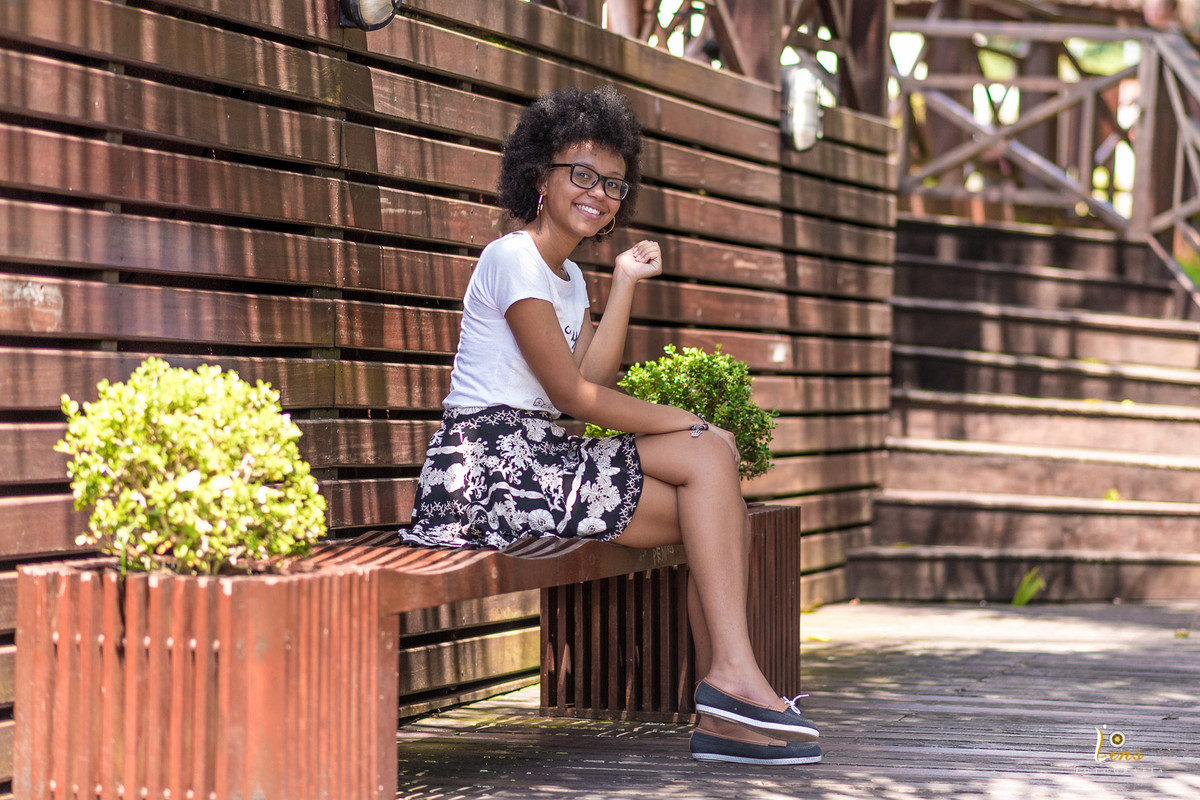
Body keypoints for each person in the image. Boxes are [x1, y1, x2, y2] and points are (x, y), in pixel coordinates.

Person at [400, 86, 821, 766]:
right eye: (583, 174)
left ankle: (729, 703)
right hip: (485, 471)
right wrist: (691, 423)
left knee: (709, 500)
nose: (600, 192)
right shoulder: (512, 259)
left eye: (615, 184)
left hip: (538, 457)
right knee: (707, 457)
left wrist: (621, 281)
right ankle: (734, 691)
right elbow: (575, 394)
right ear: (539, 175)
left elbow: (586, 378)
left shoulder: (567, 279)